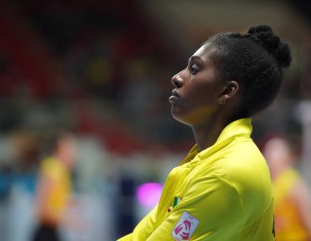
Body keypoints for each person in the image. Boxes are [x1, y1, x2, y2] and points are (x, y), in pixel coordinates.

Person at [118, 25, 291, 240]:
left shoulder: (229, 173)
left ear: (227, 91)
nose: (177, 77)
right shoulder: (202, 163)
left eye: (194, 69)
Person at [263, 136, 311, 241]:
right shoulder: (270, 185)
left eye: (273, 159)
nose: (270, 164)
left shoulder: (293, 184)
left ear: (286, 159)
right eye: (268, 158)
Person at [32, 131, 77, 241]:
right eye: (71, 149)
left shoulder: (62, 172)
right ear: (61, 149)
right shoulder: (53, 169)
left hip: (52, 231)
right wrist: (68, 220)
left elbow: (56, 201)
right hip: (46, 233)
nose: (75, 154)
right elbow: (43, 211)